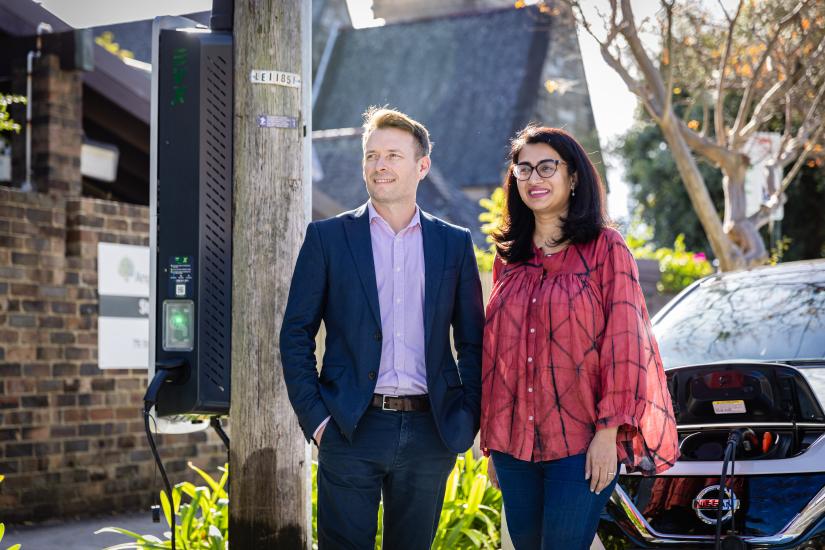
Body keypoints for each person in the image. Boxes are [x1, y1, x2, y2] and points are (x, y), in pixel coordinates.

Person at [280, 107, 484, 550]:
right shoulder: (327, 238)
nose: (380, 165)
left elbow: (473, 341)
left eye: (393, 155)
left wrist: (466, 416)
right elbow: (295, 332)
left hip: (431, 431)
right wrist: (317, 421)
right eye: (372, 156)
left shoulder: (454, 243)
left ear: (422, 166)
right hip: (351, 427)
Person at [480, 125, 679, 550]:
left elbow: (624, 347)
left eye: (547, 167)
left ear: (573, 178)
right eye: (524, 169)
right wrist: (494, 440)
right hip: (514, 448)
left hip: (581, 443)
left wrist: (609, 434)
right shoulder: (509, 260)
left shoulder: (607, 249)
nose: (535, 178)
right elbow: (497, 356)